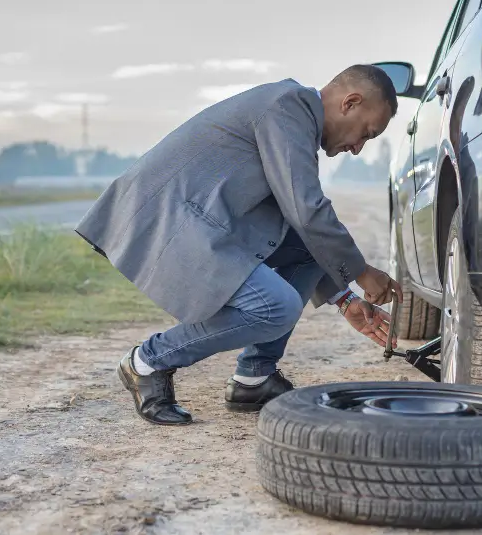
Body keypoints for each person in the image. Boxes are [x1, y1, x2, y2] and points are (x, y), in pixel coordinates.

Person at [75, 64, 403, 425]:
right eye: (366, 134)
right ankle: (147, 361)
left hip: (207, 221)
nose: (357, 149)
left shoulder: (295, 115)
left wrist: (345, 298)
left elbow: (299, 222)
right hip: (171, 219)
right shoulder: (288, 107)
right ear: (350, 103)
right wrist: (361, 270)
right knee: (274, 307)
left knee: (311, 251)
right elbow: (306, 209)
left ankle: (254, 378)